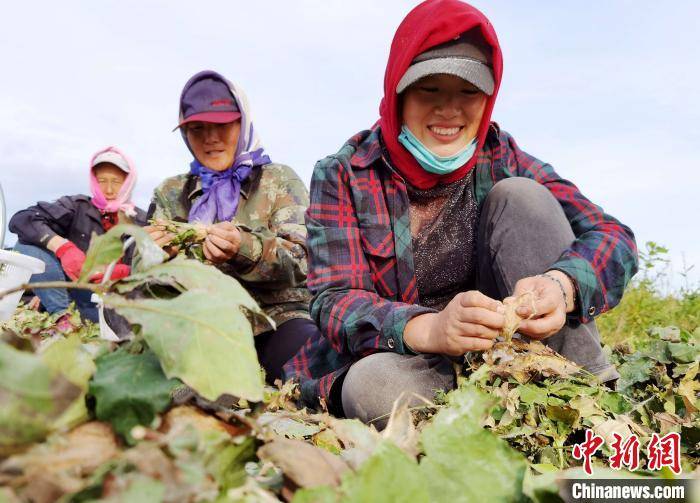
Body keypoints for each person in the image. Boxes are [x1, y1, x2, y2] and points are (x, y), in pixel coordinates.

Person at [284, 0, 639, 426]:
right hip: (414, 362)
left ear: (487, 98)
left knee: (523, 196)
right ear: (398, 90)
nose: (449, 110)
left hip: (507, 350)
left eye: (469, 92)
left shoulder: (502, 154)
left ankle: (586, 394)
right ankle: (495, 409)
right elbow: (335, 300)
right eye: (429, 89)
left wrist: (561, 286)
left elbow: (613, 234)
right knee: (371, 388)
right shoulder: (344, 172)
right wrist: (430, 329)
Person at [146, 70, 317, 383]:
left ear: (243, 122)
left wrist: (244, 248)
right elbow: (142, 278)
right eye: (197, 128)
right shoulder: (170, 193)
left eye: (222, 125)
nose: (210, 138)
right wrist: (155, 256)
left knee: (309, 365)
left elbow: (303, 258)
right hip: (195, 321)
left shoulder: (278, 180)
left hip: (272, 319)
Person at [10, 147, 146, 321]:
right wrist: (63, 248)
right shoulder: (77, 206)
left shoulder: (141, 220)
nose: (109, 190)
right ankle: (63, 318)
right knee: (25, 245)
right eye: (102, 180)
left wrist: (122, 272)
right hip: (79, 295)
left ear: (128, 182)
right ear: (94, 181)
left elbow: (156, 266)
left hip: (121, 304)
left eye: (116, 182)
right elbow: (23, 220)